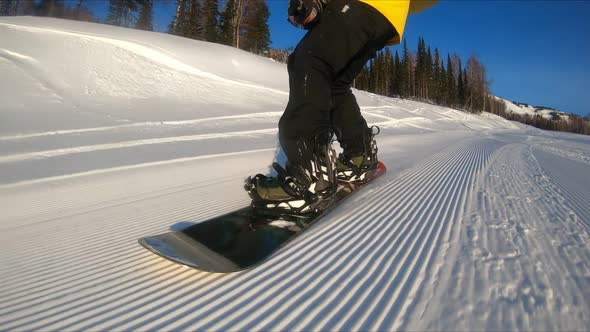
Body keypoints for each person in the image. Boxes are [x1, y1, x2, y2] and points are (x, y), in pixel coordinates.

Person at [245, 0, 438, 214]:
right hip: (388, 18)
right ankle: (358, 158)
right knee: (335, 84)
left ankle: (307, 180)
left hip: (360, 5)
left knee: (309, 62)